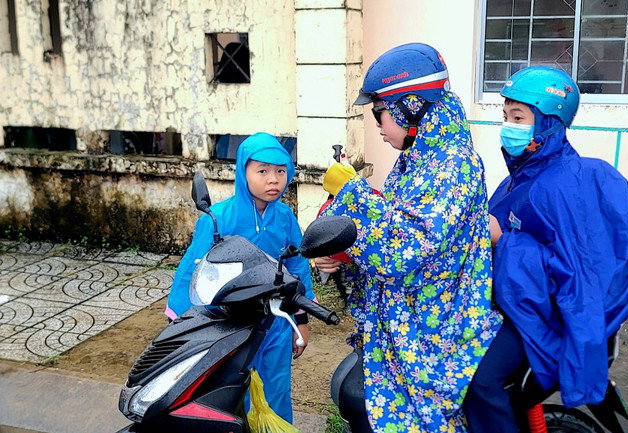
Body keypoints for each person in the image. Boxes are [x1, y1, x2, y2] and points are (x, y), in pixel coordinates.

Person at [315, 42, 502, 433]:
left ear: (410, 107)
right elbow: (392, 222)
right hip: (405, 328)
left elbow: (403, 248)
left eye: (379, 113)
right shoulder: (419, 158)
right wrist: (344, 256)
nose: (378, 127)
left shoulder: (454, 164)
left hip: (430, 338)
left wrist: (352, 193)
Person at [463, 66, 628, 432]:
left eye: (519, 118)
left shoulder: (566, 185)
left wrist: (504, 241)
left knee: (480, 382)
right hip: (513, 303)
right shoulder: (524, 175)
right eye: (506, 116)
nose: (508, 126)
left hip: (547, 315)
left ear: (548, 123)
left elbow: (578, 274)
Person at [165, 132, 314, 423]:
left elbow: (298, 269)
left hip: (275, 322)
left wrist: (301, 323)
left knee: (276, 389)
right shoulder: (218, 219)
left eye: (281, 171)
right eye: (263, 171)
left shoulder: (285, 217)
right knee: (228, 390)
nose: (274, 180)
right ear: (243, 172)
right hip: (228, 323)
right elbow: (191, 272)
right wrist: (180, 324)